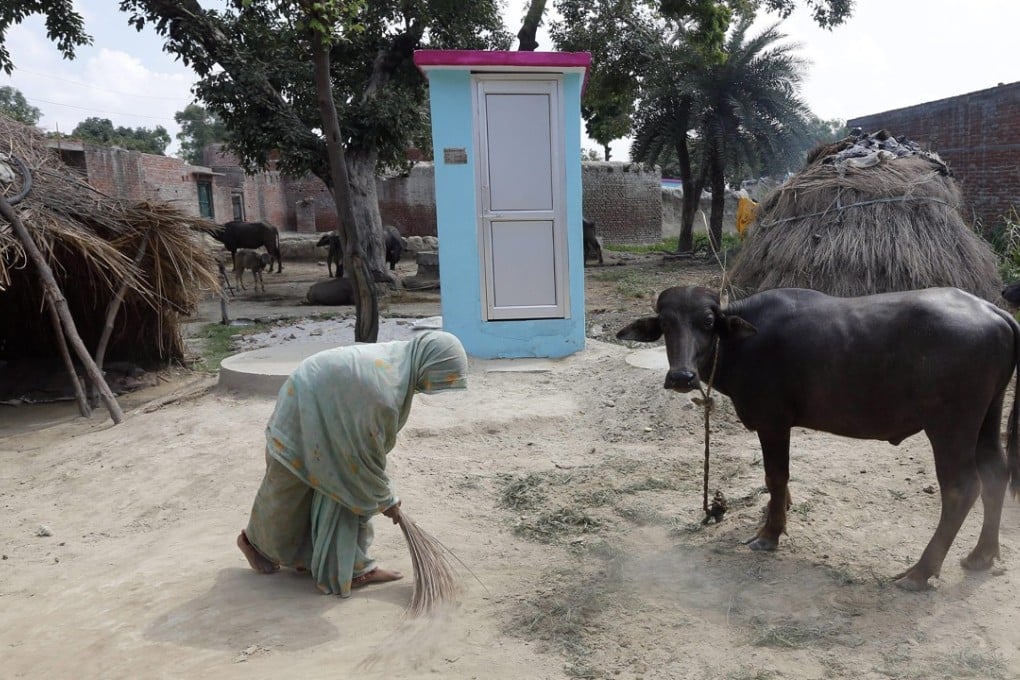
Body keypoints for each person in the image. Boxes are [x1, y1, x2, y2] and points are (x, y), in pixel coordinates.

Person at [236, 330, 469, 597]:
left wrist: (381, 494)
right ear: (429, 363)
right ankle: (253, 544)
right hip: (303, 405)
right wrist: (387, 499)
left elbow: (363, 449)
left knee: (346, 488)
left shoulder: (400, 363)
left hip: (323, 399)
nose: (432, 387)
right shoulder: (384, 390)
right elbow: (361, 458)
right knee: (290, 490)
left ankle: (353, 567)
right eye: (438, 378)